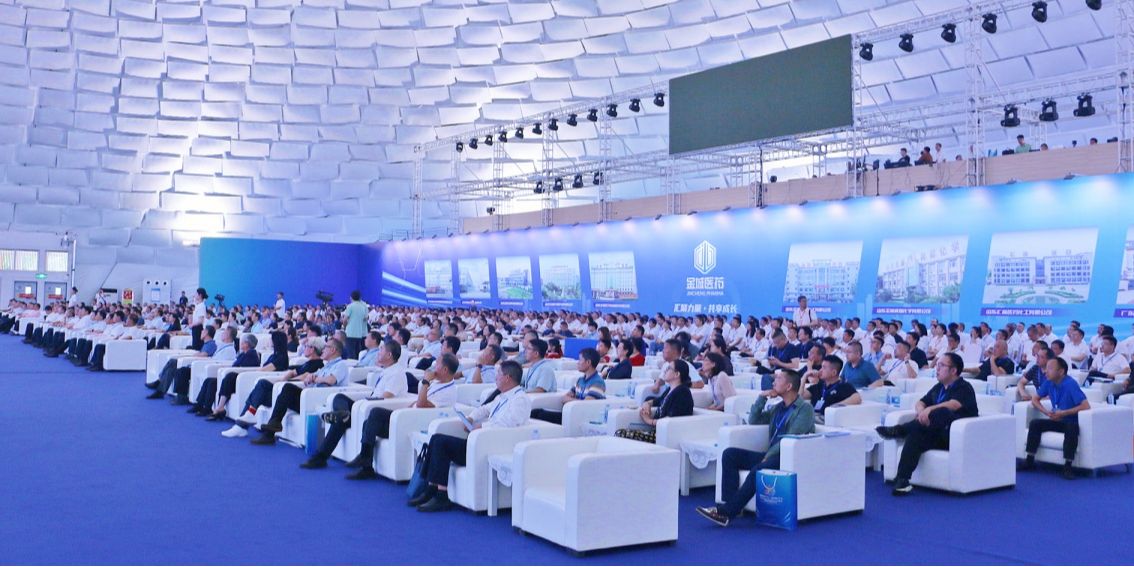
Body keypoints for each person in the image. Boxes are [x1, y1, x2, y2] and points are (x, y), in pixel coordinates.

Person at [696, 369, 814, 527]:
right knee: (730, 455)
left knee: (758, 469)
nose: (774, 382)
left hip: (787, 457)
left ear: (788, 386)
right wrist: (761, 398)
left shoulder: (804, 409)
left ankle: (725, 513)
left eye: (779, 379)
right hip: (771, 455)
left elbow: (792, 437)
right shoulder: (778, 407)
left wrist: (768, 455)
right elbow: (754, 419)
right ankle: (730, 505)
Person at [410, 360, 532, 512]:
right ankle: (431, 488)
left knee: (441, 443)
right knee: (436, 439)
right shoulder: (503, 396)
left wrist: (482, 427)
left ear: (507, 378)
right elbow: (484, 409)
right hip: (482, 441)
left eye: (498, 374)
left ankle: (442, 496)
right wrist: (471, 418)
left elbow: (509, 423)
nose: (496, 377)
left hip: (492, 445)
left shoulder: (520, 399)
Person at [342, 352, 462, 480]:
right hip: (408, 416)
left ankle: (364, 458)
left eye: (436, 364)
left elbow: (422, 404)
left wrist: (425, 382)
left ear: (445, 370)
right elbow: (418, 402)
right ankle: (366, 466)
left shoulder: (448, 391)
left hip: (415, 422)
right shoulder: (438, 382)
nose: (433, 367)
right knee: (369, 422)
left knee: (376, 413)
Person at [875, 352, 977, 496]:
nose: (937, 368)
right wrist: (922, 411)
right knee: (915, 435)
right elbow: (920, 402)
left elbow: (953, 405)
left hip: (956, 437)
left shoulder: (964, 387)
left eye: (942, 365)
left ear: (954, 370)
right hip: (936, 433)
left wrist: (929, 410)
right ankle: (902, 481)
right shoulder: (939, 387)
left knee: (942, 411)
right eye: (937, 364)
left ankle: (901, 430)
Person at [250, 339, 352, 445]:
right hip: (309, 397)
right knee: (284, 390)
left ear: (333, 350)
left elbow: (331, 380)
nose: (323, 350)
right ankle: (269, 427)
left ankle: (258, 420)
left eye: (326, 347)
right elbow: (309, 377)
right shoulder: (327, 366)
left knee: (284, 389)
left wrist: (315, 378)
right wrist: (311, 378)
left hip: (319, 401)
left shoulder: (340, 365)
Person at [1019, 356, 1089, 480]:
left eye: (1050, 368)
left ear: (1061, 371)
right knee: (1035, 423)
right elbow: (1035, 399)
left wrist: (1064, 413)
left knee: (1071, 428)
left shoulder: (1070, 384)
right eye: (1046, 368)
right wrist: (1046, 412)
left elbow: (1085, 406)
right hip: (1056, 419)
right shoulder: (1049, 383)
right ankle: (1030, 459)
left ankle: (1068, 465)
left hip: (1071, 421)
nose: (1046, 371)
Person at [208, 330, 291, 420]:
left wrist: (248, 372)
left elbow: (265, 369)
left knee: (231, 377)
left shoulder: (281, 357)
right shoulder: (274, 355)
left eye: (271, 339)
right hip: (258, 376)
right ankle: (225, 409)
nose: (269, 341)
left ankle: (241, 415)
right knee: (230, 377)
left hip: (262, 379)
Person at [615, 359, 695, 443]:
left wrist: (649, 421)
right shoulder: (670, 389)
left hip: (665, 435)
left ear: (677, 374)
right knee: (621, 431)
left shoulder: (683, 393)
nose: (665, 371)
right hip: (657, 431)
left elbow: (672, 420)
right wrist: (647, 404)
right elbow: (657, 401)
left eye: (668, 368)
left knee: (621, 433)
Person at [191, 333, 261, 416]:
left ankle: (211, 408)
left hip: (239, 379)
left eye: (243, 342)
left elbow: (243, 366)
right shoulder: (243, 353)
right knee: (208, 380)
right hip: (234, 375)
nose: (241, 343)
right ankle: (199, 404)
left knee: (214, 382)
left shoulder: (251, 354)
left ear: (247, 344)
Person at [530, 348, 605, 425]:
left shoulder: (597, 382)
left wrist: (571, 400)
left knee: (539, 415)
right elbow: (564, 398)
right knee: (535, 412)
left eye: (580, 360)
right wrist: (575, 400)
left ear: (588, 362)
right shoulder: (580, 380)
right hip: (571, 413)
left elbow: (585, 405)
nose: (577, 363)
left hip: (581, 418)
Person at [802, 355, 861, 424]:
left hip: (827, 420)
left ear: (834, 373)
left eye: (824, 368)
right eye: (821, 367)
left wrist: (835, 406)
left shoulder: (843, 386)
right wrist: (805, 376)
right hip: (813, 417)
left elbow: (857, 398)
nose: (820, 370)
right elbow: (799, 396)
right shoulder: (819, 386)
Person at [341, 291, 368, 360]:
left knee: (350, 354)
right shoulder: (363, 307)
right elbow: (365, 318)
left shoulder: (350, 306)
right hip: (359, 333)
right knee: (357, 353)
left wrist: (344, 326)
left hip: (350, 333)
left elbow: (345, 319)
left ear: (351, 297)